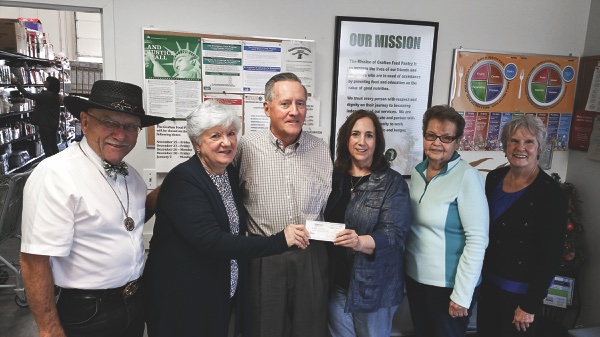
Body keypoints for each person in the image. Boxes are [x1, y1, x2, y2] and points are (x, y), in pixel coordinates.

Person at [144, 100, 310, 337]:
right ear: (197, 143)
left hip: (215, 296)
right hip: (182, 301)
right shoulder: (183, 180)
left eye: (231, 133)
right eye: (215, 136)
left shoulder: (227, 173)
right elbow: (213, 241)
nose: (226, 142)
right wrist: (279, 241)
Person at [20, 80, 166, 337]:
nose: (121, 135)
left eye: (131, 126)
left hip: (134, 303)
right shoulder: (55, 175)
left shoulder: (130, 175)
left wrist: (174, 184)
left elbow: (129, 220)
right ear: (85, 122)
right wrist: (49, 329)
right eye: (109, 122)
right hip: (87, 313)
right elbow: (34, 260)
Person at [236, 72, 333, 337]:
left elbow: (326, 206)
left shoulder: (321, 149)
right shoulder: (245, 147)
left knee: (310, 329)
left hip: (311, 255)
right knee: (262, 329)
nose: (295, 111)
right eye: (286, 103)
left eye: (300, 103)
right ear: (267, 108)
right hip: (264, 255)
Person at [477, 115, 567, 337]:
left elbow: (552, 255)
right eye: (514, 141)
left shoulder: (551, 193)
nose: (520, 148)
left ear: (539, 148)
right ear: (505, 145)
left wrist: (530, 305)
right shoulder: (494, 178)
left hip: (520, 297)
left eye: (529, 142)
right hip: (489, 285)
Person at [324, 110, 412, 337]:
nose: (361, 142)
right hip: (337, 284)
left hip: (375, 288)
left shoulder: (393, 183)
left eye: (369, 135)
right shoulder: (334, 177)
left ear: (377, 142)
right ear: (346, 139)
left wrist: (359, 241)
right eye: (355, 134)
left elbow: (394, 234)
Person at [405, 104, 489, 337]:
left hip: (449, 288)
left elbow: (477, 240)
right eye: (431, 135)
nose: (437, 143)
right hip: (416, 281)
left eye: (446, 137)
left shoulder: (467, 177)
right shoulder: (417, 172)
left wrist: (462, 295)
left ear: (458, 141)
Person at [12, 75, 61, 157]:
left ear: (50, 84)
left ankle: (50, 166)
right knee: (53, 146)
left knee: (47, 148)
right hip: (53, 125)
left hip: (45, 126)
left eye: (47, 81)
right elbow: (48, 107)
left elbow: (27, 94)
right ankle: (57, 164)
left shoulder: (46, 95)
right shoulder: (55, 95)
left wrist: (17, 83)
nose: (44, 82)